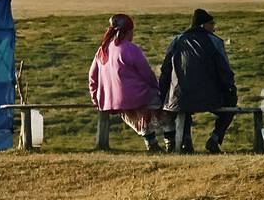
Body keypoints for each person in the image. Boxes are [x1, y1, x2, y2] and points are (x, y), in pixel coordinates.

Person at [88, 14, 175, 153]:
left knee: (139, 116)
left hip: (112, 102)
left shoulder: (102, 51)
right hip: (137, 96)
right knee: (165, 112)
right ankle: (171, 143)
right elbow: (147, 73)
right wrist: (156, 88)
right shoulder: (130, 49)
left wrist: (96, 98)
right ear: (128, 31)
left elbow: (92, 77)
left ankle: (151, 143)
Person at [160, 8, 238, 153]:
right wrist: (230, 89)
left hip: (178, 97)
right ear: (203, 25)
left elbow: (165, 70)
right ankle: (215, 138)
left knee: (185, 106)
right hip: (210, 97)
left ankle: (186, 140)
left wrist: (163, 94)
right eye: (211, 23)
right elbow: (225, 71)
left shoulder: (176, 41)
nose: (214, 27)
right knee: (231, 103)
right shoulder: (214, 41)